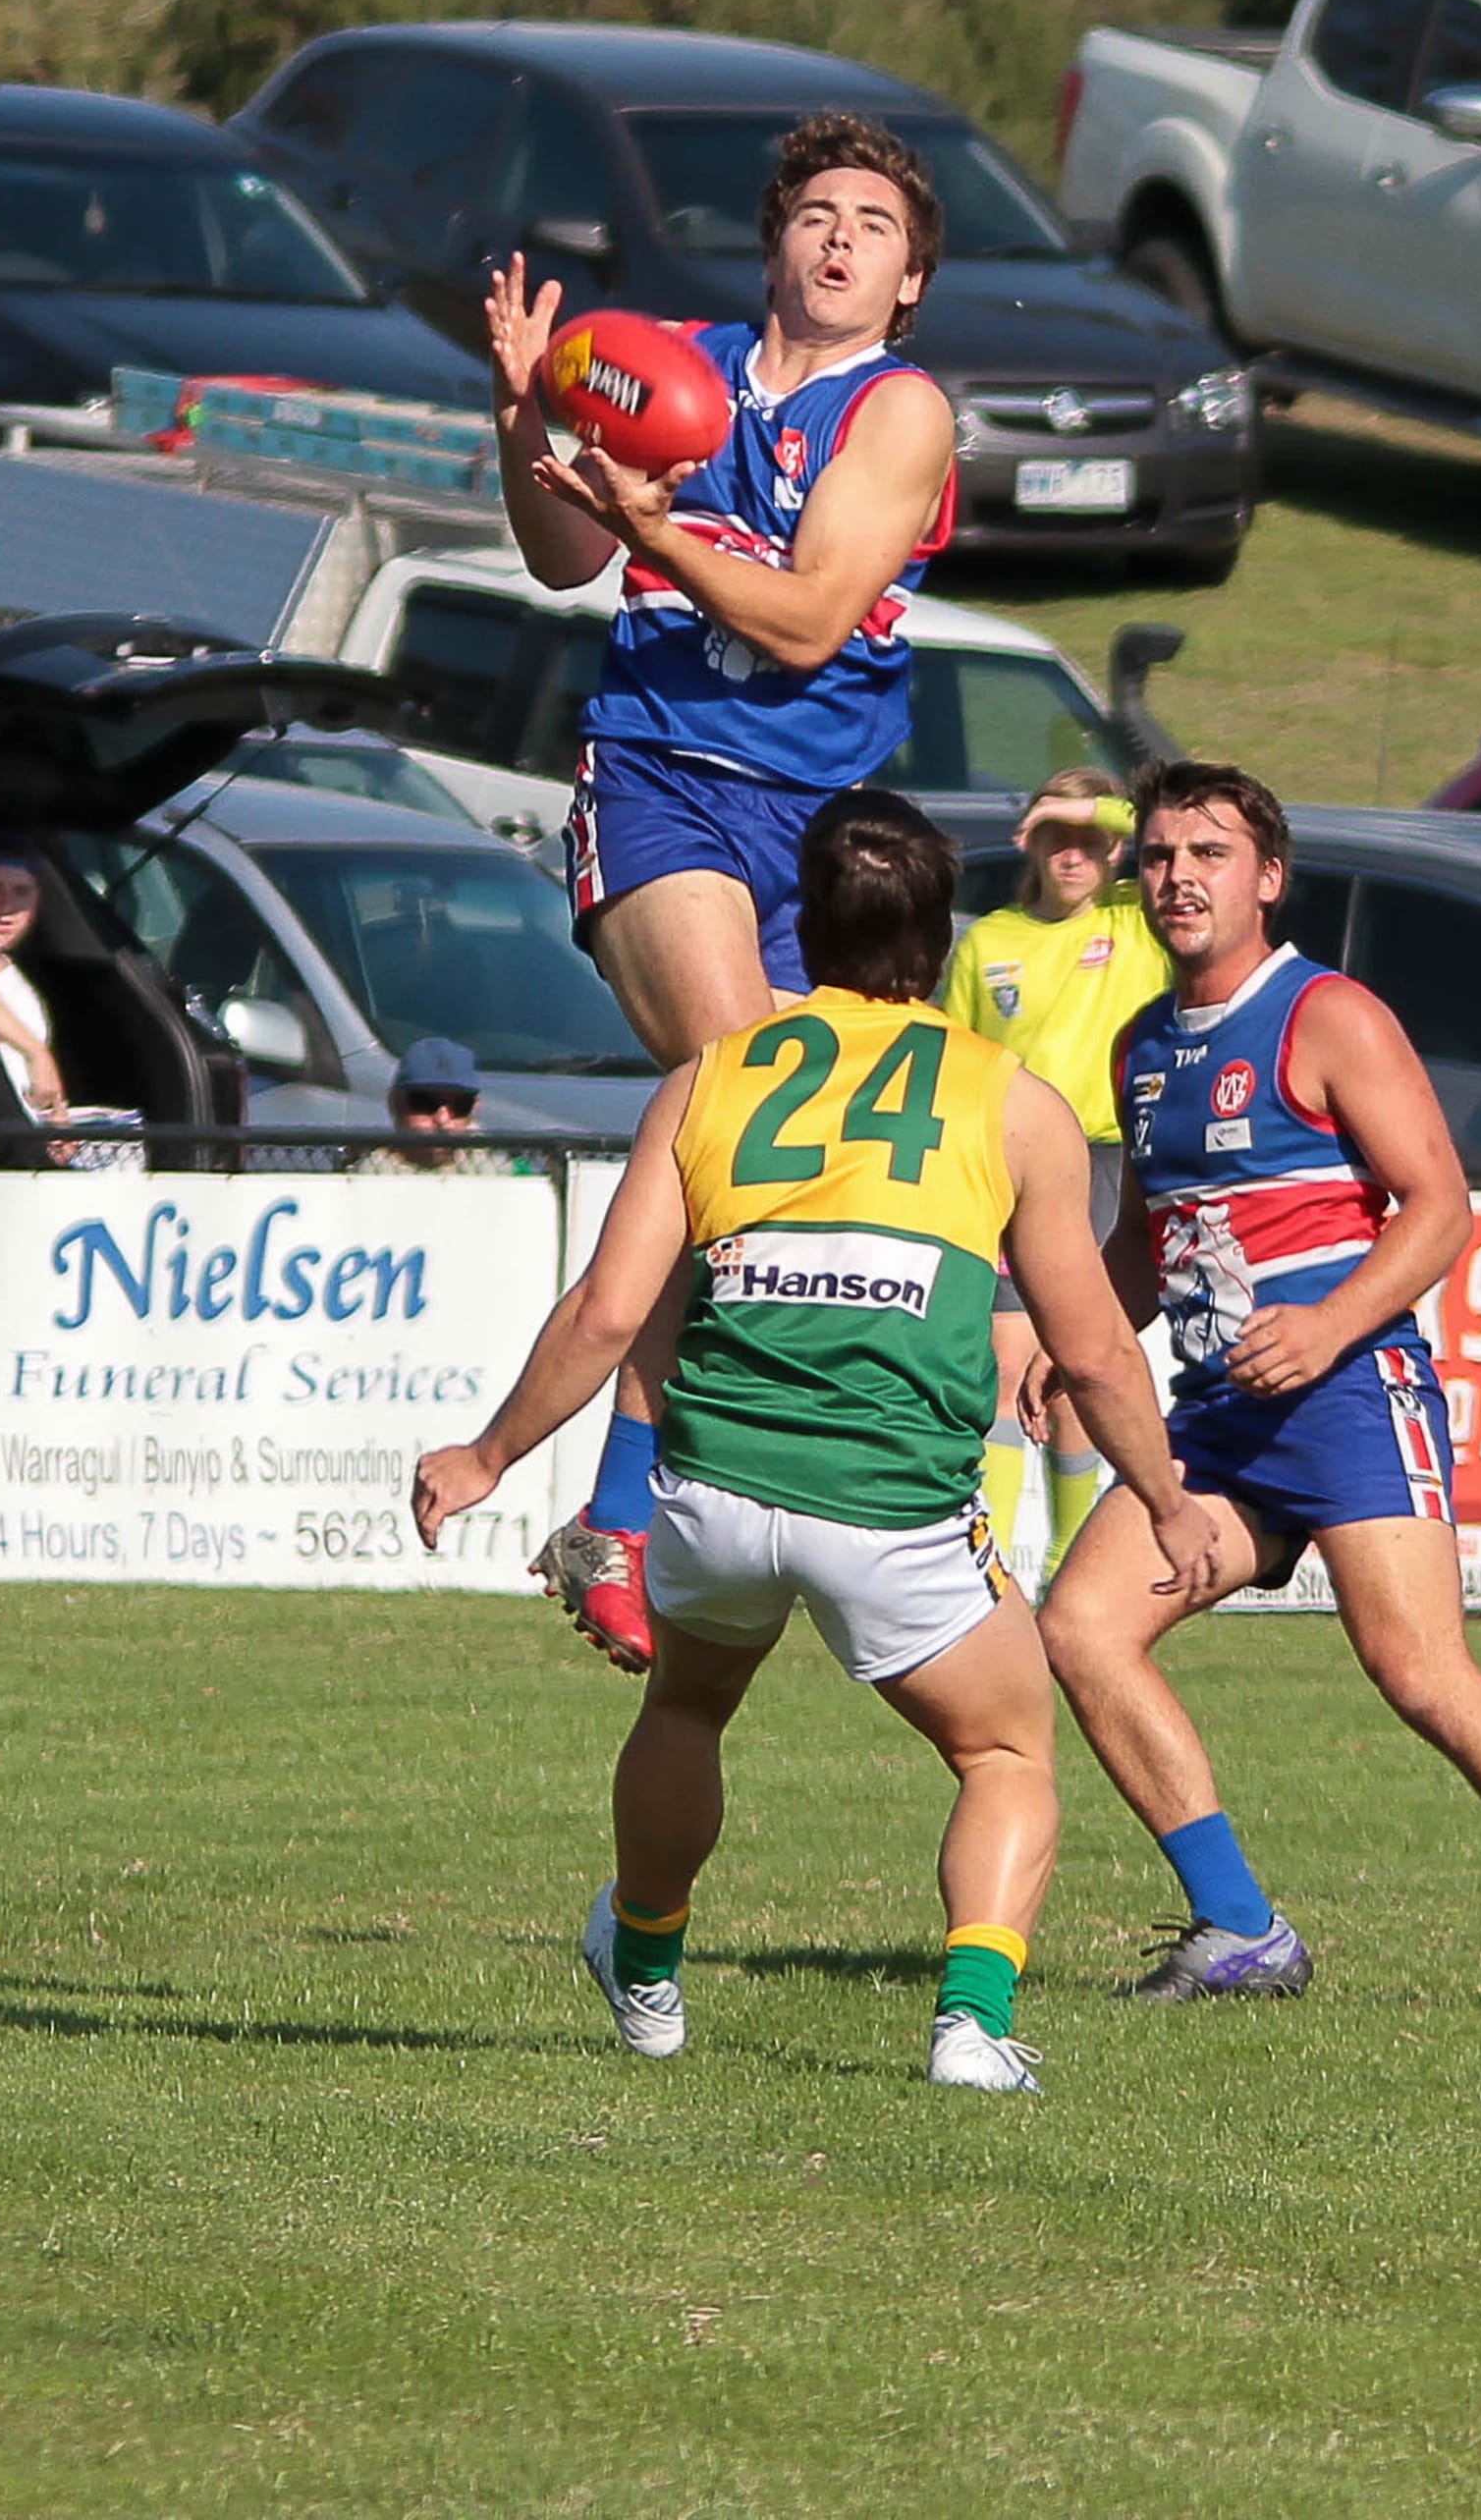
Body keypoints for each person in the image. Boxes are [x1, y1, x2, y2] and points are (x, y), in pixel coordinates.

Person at [412, 792, 1224, 2092]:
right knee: (1006, 1752)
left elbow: (611, 1313)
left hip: (719, 1485)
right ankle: (970, 2025)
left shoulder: (710, 1077)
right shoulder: (1011, 1105)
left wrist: (489, 1456)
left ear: (805, 922)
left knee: (688, 1704)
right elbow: (1092, 1351)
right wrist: (1168, 1497)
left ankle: (653, 1969)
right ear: (942, 935)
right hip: (894, 1506)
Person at [1031, 758, 1481, 2021]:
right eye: (1162, 855)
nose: (1179, 877)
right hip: (1219, 1418)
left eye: (1209, 854)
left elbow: (1439, 1207)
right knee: (1079, 1627)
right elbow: (1145, 1236)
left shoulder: (1326, 1014)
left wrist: (1327, 1324)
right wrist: (1057, 1333)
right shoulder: (1140, 1045)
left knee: (1418, 1675)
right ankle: (1239, 1927)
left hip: (1346, 1389)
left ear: (1267, 879)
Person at [485, 111, 957, 1675]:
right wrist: (520, 415)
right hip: (663, 773)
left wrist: (652, 527)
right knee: (736, 1086)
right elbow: (562, 560)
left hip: (822, 827)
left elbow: (817, 618)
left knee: (762, 1165)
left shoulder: (899, 414)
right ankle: (626, 1510)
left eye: (872, 226)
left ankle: (641, 1505)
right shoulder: (662, 363)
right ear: (773, 244)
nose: (837, 239)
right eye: (814, 213)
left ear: (906, 286)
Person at [938, 766, 1169, 1591]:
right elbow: (957, 1059)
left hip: (1107, 1162)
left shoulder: (1136, 921)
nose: (1074, 853)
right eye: (1055, 837)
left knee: (1075, 1368)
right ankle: (988, 1570)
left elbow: (1148, 822)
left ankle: (1070, 1568)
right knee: (1003, 1365)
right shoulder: (990, 940)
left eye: (1090, 838)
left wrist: (1074, 808)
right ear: (1028, 843)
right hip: (1010, 1163)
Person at [0, 839, 68, 1124]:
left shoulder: (24, 993)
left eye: (21, 892)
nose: (6, 907)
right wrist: (36, 1052)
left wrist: (54, 1120)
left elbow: (31, 1086)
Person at [352, 1037, 536, 1176]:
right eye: (424, 1103)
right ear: (395, 1103)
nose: (443, 1120)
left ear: (474, 1109)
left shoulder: (508, 1176)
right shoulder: (357, 1181)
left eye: (460, 1106)